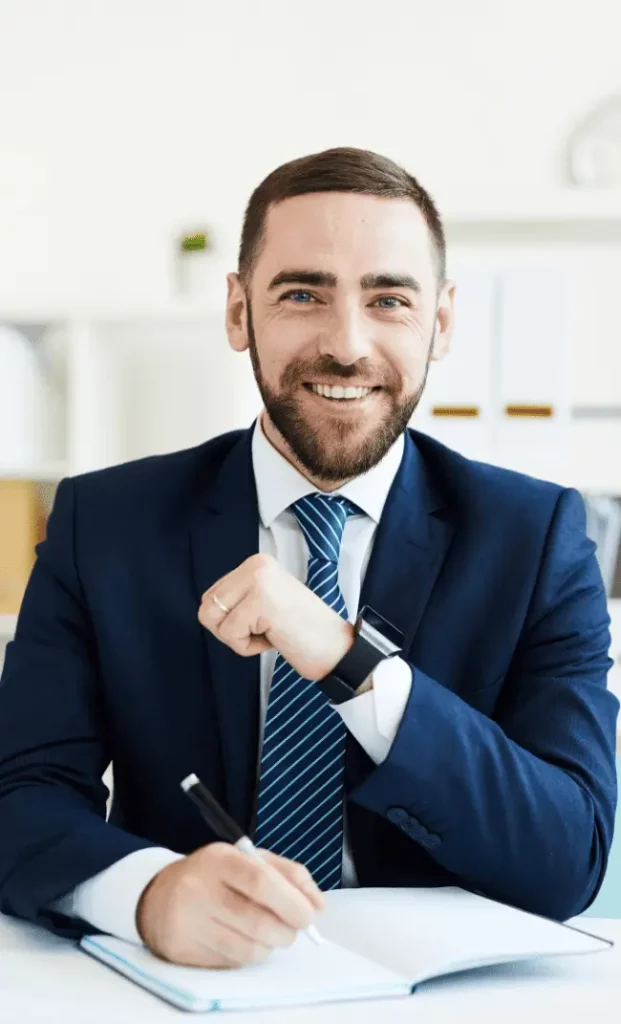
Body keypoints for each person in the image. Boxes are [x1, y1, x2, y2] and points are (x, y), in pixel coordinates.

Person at [0, 147, 618, 971]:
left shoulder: (537, 536)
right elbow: (19, 797)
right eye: (301, 294)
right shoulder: (104, 523)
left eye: (389, 299)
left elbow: (567, 855)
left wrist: (343, 656)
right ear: (236, 311)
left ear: (438, 323)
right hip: (179, 986)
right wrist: (148, 893)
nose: (346, 346)